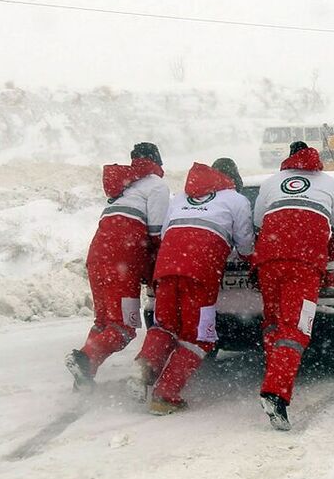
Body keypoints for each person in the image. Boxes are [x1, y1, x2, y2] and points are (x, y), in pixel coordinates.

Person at [135, 158, 253, 415]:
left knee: (166, 324)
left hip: (166, 265)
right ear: (233, 180)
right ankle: (165, 394)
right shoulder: (236, 200)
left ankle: (145, 365)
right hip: (200, 270)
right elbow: (246, 247)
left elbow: (166, 234)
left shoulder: (180, 197)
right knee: (199, 336)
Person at [251, 141, 334, 430]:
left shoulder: (272, 182)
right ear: (315, 159)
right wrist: (323, 252)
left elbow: (259, 223)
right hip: (304, 265)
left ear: (287, 159)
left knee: (273, 324)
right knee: (296, 329)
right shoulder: (330, 184)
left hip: (268, 261)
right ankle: (275, 394)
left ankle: (273, 375)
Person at [66, 142, 170, 390]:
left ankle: (85, 375)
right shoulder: (156, 185)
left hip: (97, 255)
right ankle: (85, 359)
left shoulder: (123, 187)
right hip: (122, 260)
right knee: (124, 327)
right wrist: (154, 272)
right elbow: (157, 233)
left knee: (103, 321)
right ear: (158, 162)